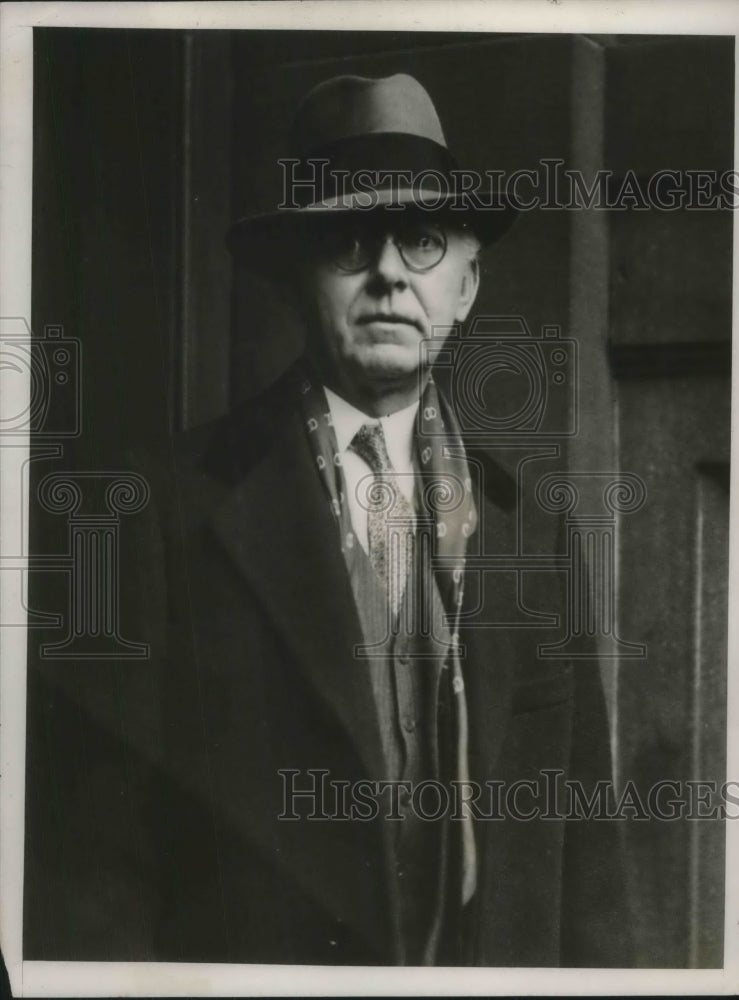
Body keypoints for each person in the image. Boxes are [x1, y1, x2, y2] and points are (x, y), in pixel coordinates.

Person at [121, 73, 633, 967]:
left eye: (423, 241)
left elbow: (589, 874)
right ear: (292, 275)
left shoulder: (532, 532)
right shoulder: (165, 505)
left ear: (467, 286)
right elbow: (101, 866)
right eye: (349, 239)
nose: (390, 272)